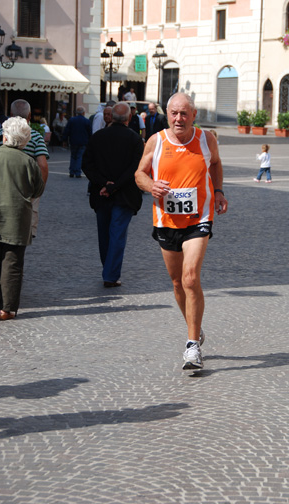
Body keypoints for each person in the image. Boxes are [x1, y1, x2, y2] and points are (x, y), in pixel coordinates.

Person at [135, 93, 228, 371]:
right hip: (166, 220)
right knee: (177, 283)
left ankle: (192, 347)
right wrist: (151, 186)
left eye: (184, 113)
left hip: (199, 218)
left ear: (193, 114)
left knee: (190, 278)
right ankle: (194, 327)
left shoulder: (206, 139)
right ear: (167, 114)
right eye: (174, 113)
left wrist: (219, 190)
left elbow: (215, 164)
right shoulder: (157, 141)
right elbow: (139, 173)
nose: (179, 119)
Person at [0, 117, 44, 321]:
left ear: (4, 136)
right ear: (25, 140)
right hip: (17, 220)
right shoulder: (27, 161)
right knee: (13, 262)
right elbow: (38, 189)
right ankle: (6, 309)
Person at [82, 102, 144, 288]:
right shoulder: (134, 140)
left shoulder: (98, 137)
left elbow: (87, 165)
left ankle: (108, 270)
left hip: (101, 193)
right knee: (117, 234)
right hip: (124, 194)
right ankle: (110, 273)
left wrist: (104, 184)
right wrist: (115, 186)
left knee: (104, 235)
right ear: (129, 118)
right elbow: (136, 168)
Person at [0, 99, 49, 238]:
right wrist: (38, 191)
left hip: (0, 184)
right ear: (29, 116)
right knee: (26, 222)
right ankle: (27, 234)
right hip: (27, 186)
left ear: (10, 115)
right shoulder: (36, 137)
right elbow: (43, 166)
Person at [62, 106, 92, 178]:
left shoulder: (72, 120)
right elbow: (90, 133)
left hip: (73, 141)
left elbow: (67, 130)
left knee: (73, 156)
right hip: (83, 142)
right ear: (83, 113)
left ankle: (72, 172)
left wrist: (64, 140)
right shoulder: (87, 121)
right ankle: (78, 172)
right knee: (79, 157)